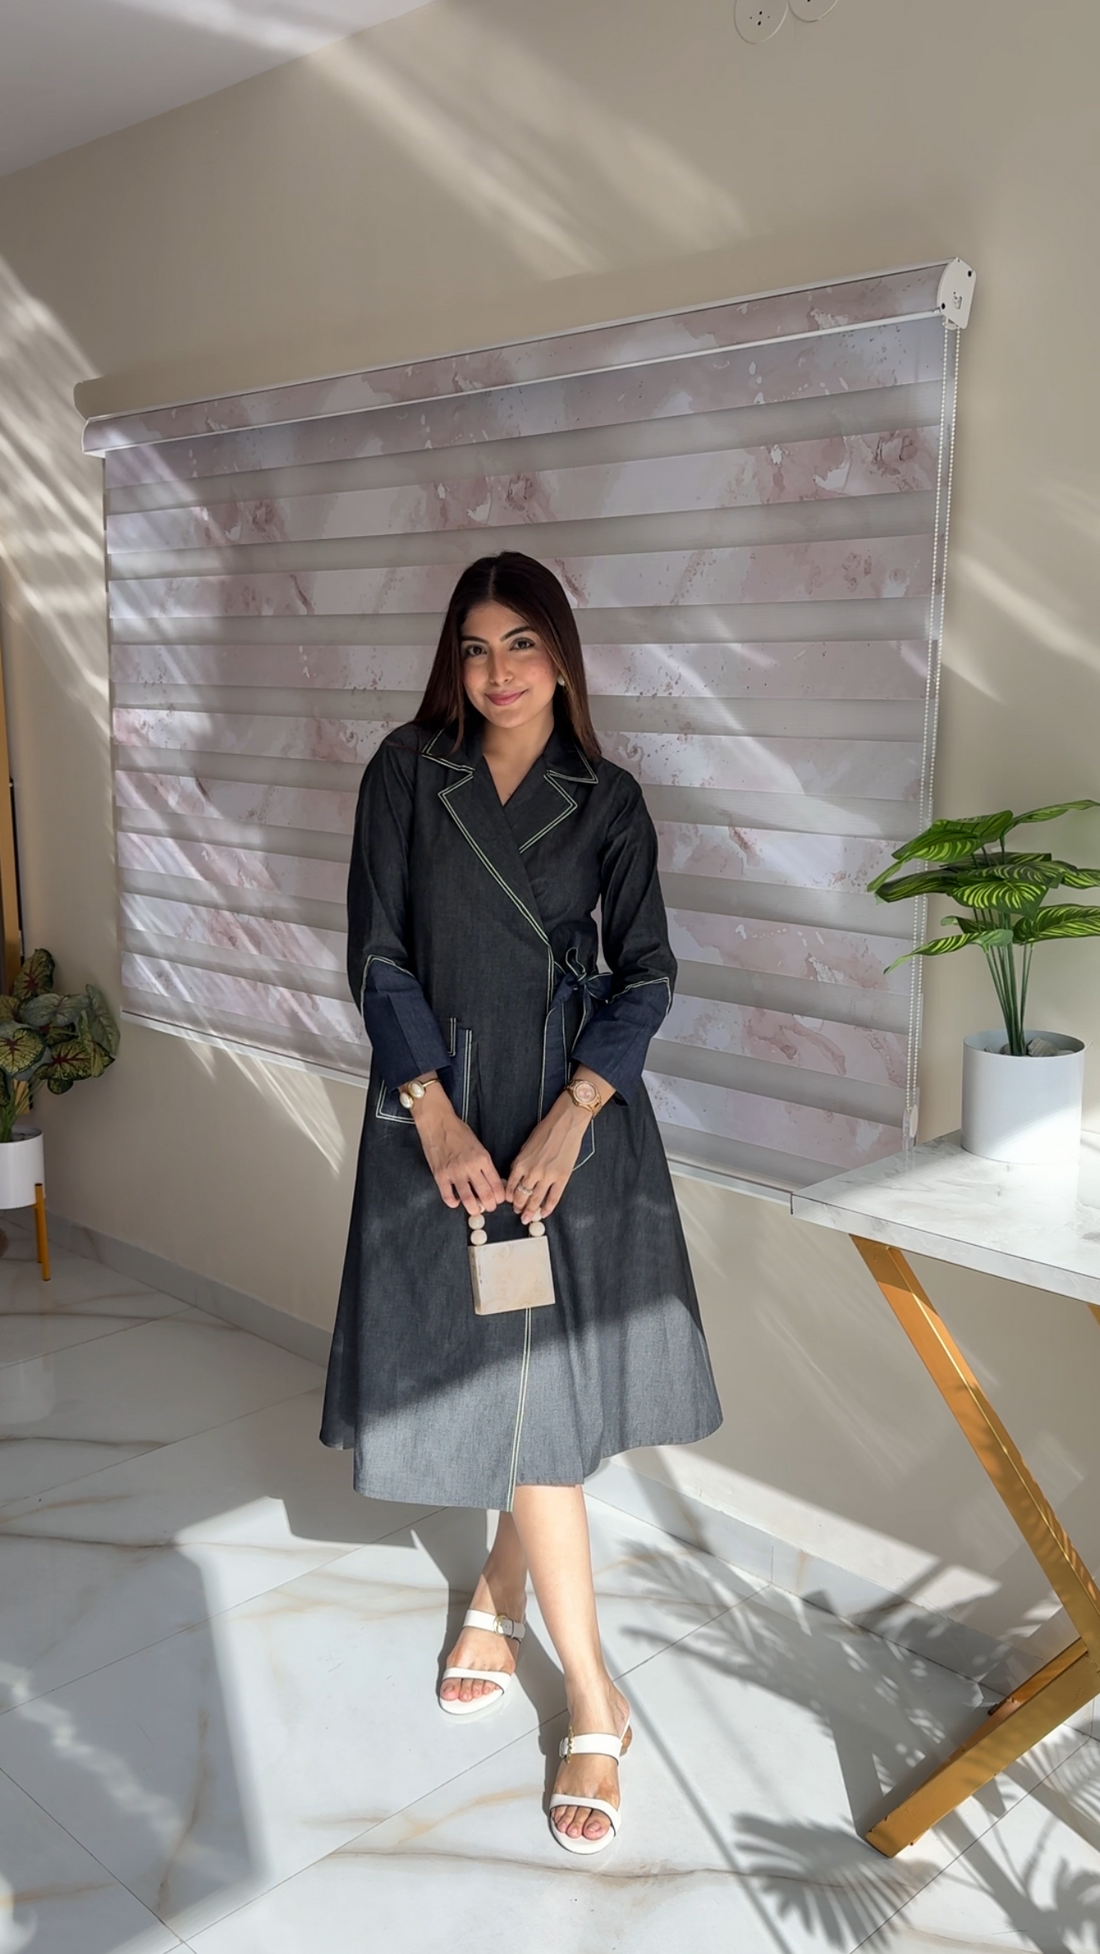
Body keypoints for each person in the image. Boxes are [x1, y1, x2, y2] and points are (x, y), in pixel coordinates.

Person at [321, 551, 721, 1854]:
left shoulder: (609, 797)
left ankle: (589, 1691)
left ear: (562, 654)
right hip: (438, 1118)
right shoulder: (407, 771)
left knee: (538, 1403)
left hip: (569, 1128)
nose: (498, 673)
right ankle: (511, 1604)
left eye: (523, 644)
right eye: (476, 648)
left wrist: (574, 1112)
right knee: (501, 1376)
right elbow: (377, 951)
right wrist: (433, 1112)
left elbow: (647, 972)